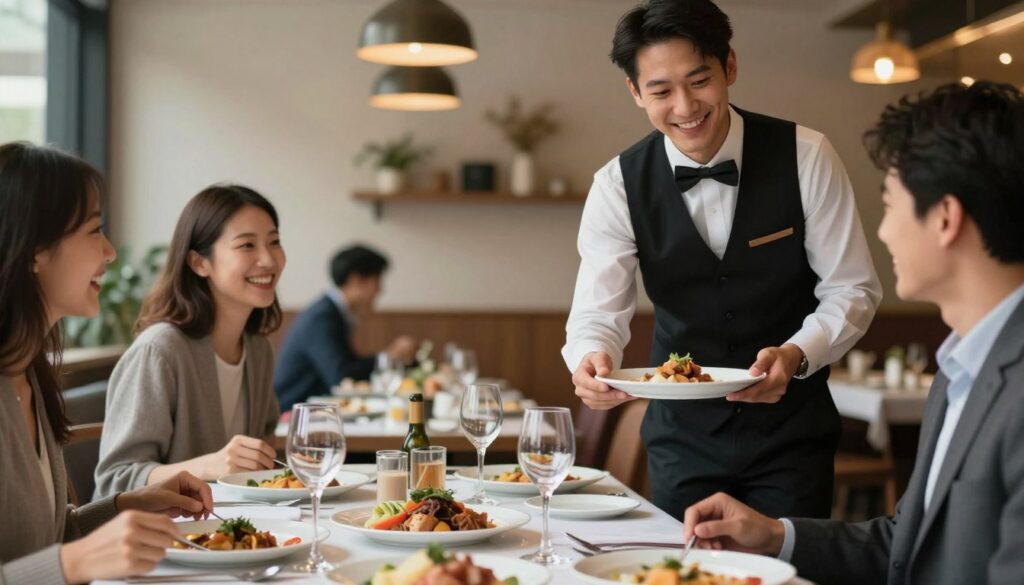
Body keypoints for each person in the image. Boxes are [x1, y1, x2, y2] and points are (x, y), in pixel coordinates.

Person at [683, 81, 1024, 585]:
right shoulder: (957, 372)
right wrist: (775, 536)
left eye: (888, 205)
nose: (882, 231)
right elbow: (903, 545)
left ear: (946, 218)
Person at [563, 0, 882, 520]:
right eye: (661, 91)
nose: (685, 106)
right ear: (635, 92)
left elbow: (853, 288)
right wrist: (589, 359)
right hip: (681, 440)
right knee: (682, 573)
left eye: (699, 80)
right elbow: (599, 311)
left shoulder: (807, 156)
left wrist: (796, 355)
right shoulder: (616, 185)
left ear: (729, 67)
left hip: (792, 436)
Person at [0, 142, 213, 584]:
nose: (111, 252)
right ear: (36, 249)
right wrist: (75, 563)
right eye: (95, 230)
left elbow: (45, 543)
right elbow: (57, 562)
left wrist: (127, 505)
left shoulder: (28, 372)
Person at [94, 184, 285, 498]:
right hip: (162, 537)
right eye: (247, 245)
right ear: (199, 263)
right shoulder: (159, 351)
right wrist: (207, 467)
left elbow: (258, 462)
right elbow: (115, 480)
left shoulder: (258, 349)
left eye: (274, 242)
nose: (269, 259)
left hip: (234, 530)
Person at [274, 245, 415, 410]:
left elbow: (347, 366)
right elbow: (342, 376)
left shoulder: (333, 312)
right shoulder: (322, 317)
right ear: (355, 280)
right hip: (291, 415)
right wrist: (389, 356)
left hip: (310, 409)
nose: (380, 290)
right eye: (377, 280)